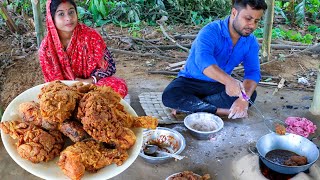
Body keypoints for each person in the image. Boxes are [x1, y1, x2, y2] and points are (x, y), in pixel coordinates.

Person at [162, 0, 267, 119]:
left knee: (250, 95)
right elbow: (204, 62)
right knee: (171, 95)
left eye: (256, 21)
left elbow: (253, 72)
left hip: (217, 85)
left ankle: (192, 106)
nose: (252, 25)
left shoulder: (251, 42)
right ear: (234, 12)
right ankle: (220, 111)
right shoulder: (210, 31)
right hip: (190, 82)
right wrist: (229, 81)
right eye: (248, 19)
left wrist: (243, 99)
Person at [39, 0, 128, 98]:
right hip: (63, 93)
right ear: (52, 19)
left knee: (118, 86)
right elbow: (53, 83)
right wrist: (70, 91)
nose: (68, 18)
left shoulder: (91, 36)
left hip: (91, 87)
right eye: (61, 14)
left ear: (76, 13)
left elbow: (109, 67)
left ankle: (93, 105)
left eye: (71, 12)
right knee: (48, 97)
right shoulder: (47, 47)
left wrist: (89, 81)